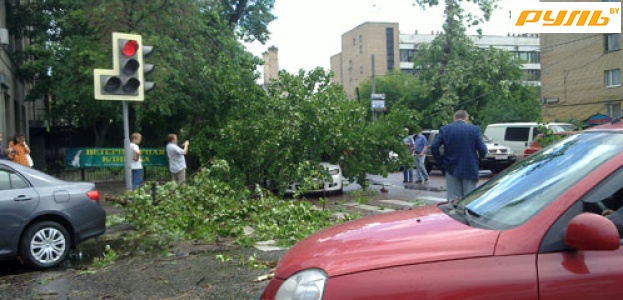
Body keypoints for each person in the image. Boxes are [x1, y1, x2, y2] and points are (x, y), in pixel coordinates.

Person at [431, 110, 487, 201]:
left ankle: (453, 214)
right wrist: (479, 159)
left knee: (453, 200)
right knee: (469, 199)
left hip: (451, 167)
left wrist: (441, 162)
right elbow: (483, 150)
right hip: (470, 167)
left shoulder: (445, 129)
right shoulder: (474, 129)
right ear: (467, 118)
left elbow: (434, 147)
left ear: (454, 118)